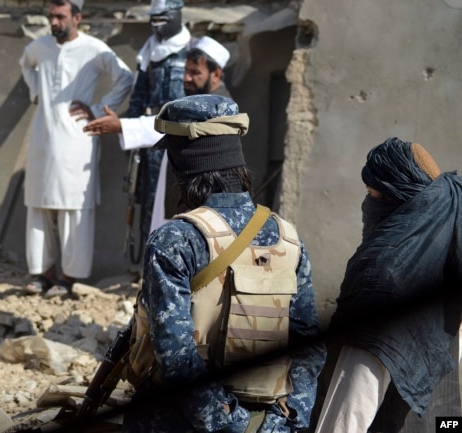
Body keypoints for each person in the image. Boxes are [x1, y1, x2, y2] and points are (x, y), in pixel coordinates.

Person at [122, 94, 326, 433]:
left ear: (183, 162)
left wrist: (230, 425)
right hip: (267, 422)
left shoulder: (175, 238)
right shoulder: (288, 238)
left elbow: (176, 356)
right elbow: (310, 348)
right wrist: (285, 421)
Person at [315, 137, 462, 432]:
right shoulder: (454, 242)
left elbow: (352, 403)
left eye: (373, 193)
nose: (367, 204)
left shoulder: (386, 272)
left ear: (399, 197)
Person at [18, 0, 133, 298]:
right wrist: (36, 93)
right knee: (38, 204)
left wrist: (96, 110)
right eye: (51, 16)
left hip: (77, 140)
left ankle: (68, 278)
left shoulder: (95, 49)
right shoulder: (39, 47)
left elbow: (125, 77)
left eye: (60, 16)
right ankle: (42, 274)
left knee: (74, 209)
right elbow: (25, 64)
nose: (53, 22)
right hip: (42, 136)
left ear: (77, 18)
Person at [84, 34, 232, 241]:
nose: (186, 78)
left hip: (199, 200)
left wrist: (122, 125)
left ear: (216, 74)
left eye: (195, 73)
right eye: (186, 71)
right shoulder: (197, 100)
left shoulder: (219, 105)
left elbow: (175, 127)